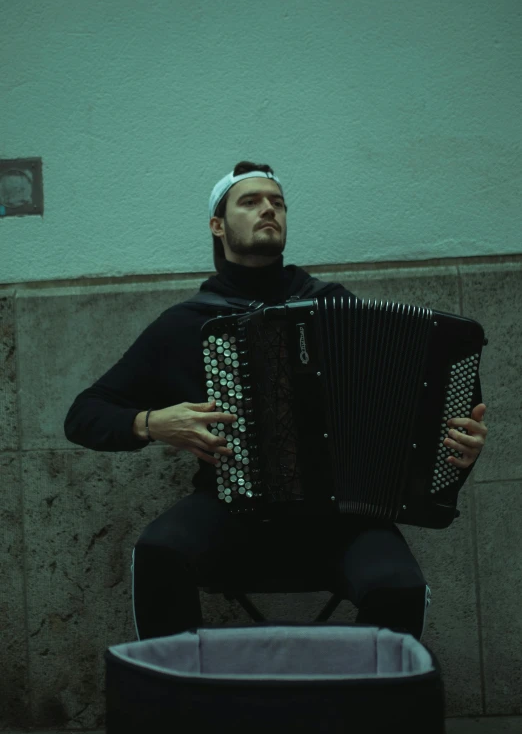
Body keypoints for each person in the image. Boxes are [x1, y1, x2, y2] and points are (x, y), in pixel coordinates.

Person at [64, 160, 488, 642]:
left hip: (341, 519)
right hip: (232, 511)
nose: (269, 209)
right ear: (217, 225)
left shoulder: (336, 306)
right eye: (250, 201)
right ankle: (178, 702)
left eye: (278, 202)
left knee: (401, 587)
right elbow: (84, 414)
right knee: (157, 554)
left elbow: (413, 425)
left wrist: (457, 450)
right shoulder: (184, 324)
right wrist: (151, 422)